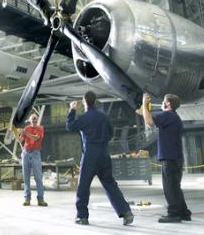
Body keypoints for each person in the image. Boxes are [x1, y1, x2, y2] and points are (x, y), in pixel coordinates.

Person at [66, 91, 134, 226]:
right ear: (95, 100)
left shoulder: (84, 118)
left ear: (85, 101)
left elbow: (70, 126)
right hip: (104, 153)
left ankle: (82, 216)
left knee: (83, 186)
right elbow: (110, 133)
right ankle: (126, 212)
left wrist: (72, 110)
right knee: (110, 184)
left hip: (90, 155)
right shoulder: (104, 117)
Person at [141, 93, 191, 223]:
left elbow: (149, 122)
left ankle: (174, 213)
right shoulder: (175, 117)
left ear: (168, 104)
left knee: (169, 187)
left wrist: (144, 105)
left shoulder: (167, 115)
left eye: (164, 101)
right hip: (176, 157)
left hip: (169, 157)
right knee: (175, 186)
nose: (162, 103)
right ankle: (184, 212)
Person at [18, 113, 48, 207]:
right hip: (26, 153)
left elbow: (36, 138)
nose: (34, 119)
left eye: (35, 118)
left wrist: (24, 132)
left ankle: (41, 199)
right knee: (26, 177)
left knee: (38, 177)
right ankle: (27, 199)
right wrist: (15, 132)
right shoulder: (26, 128)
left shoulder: (40, 128)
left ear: (37, 120)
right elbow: (20, 140)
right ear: (30, 120)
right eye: (32, 118)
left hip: (35, 153)